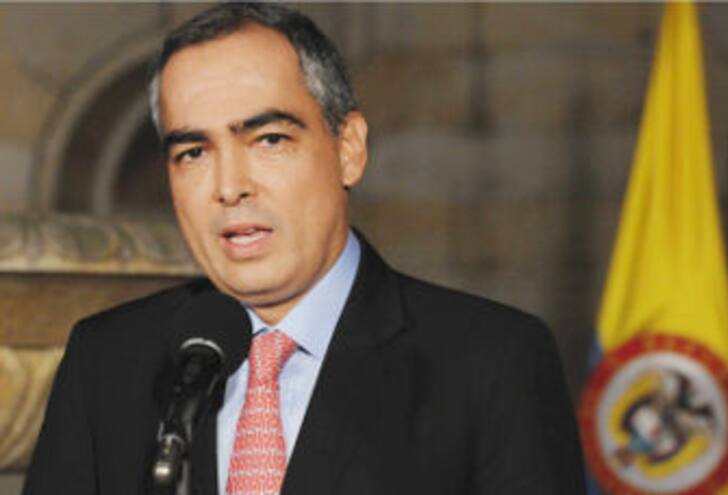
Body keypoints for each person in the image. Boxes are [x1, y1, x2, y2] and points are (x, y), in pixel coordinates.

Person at [24, 3, 586, 494]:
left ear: (349, 150)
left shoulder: (490, 364)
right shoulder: (108, 362)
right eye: (193, 152)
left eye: (268, 140)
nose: (229, 186)